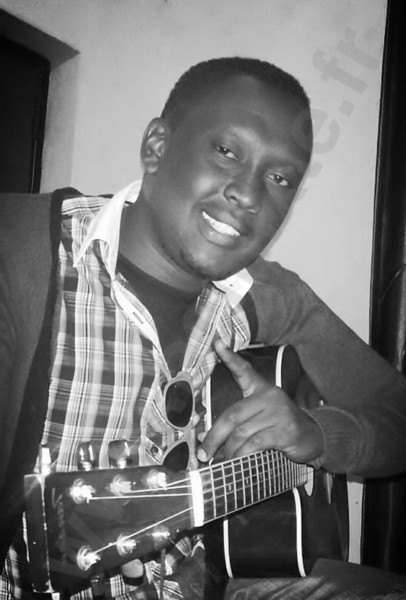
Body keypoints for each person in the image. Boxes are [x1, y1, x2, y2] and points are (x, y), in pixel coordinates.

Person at [1, 56, 406, 600]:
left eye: (280, 178)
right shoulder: (21, 253)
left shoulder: (267, 295)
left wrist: (314, 436)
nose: (250, 194)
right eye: (227, 151)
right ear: (157, 147)